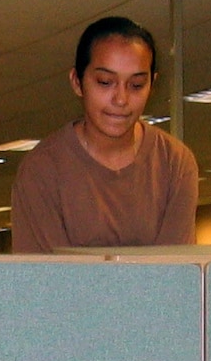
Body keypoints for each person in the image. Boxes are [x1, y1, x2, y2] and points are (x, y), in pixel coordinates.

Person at [11, 16, 198, 254]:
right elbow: (47, 280)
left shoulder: (175, 162)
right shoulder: (42, 169)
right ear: (77, 82)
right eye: (105, 82)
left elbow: (175, 272)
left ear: (153, 85)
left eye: (137, 85)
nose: (121, 99)